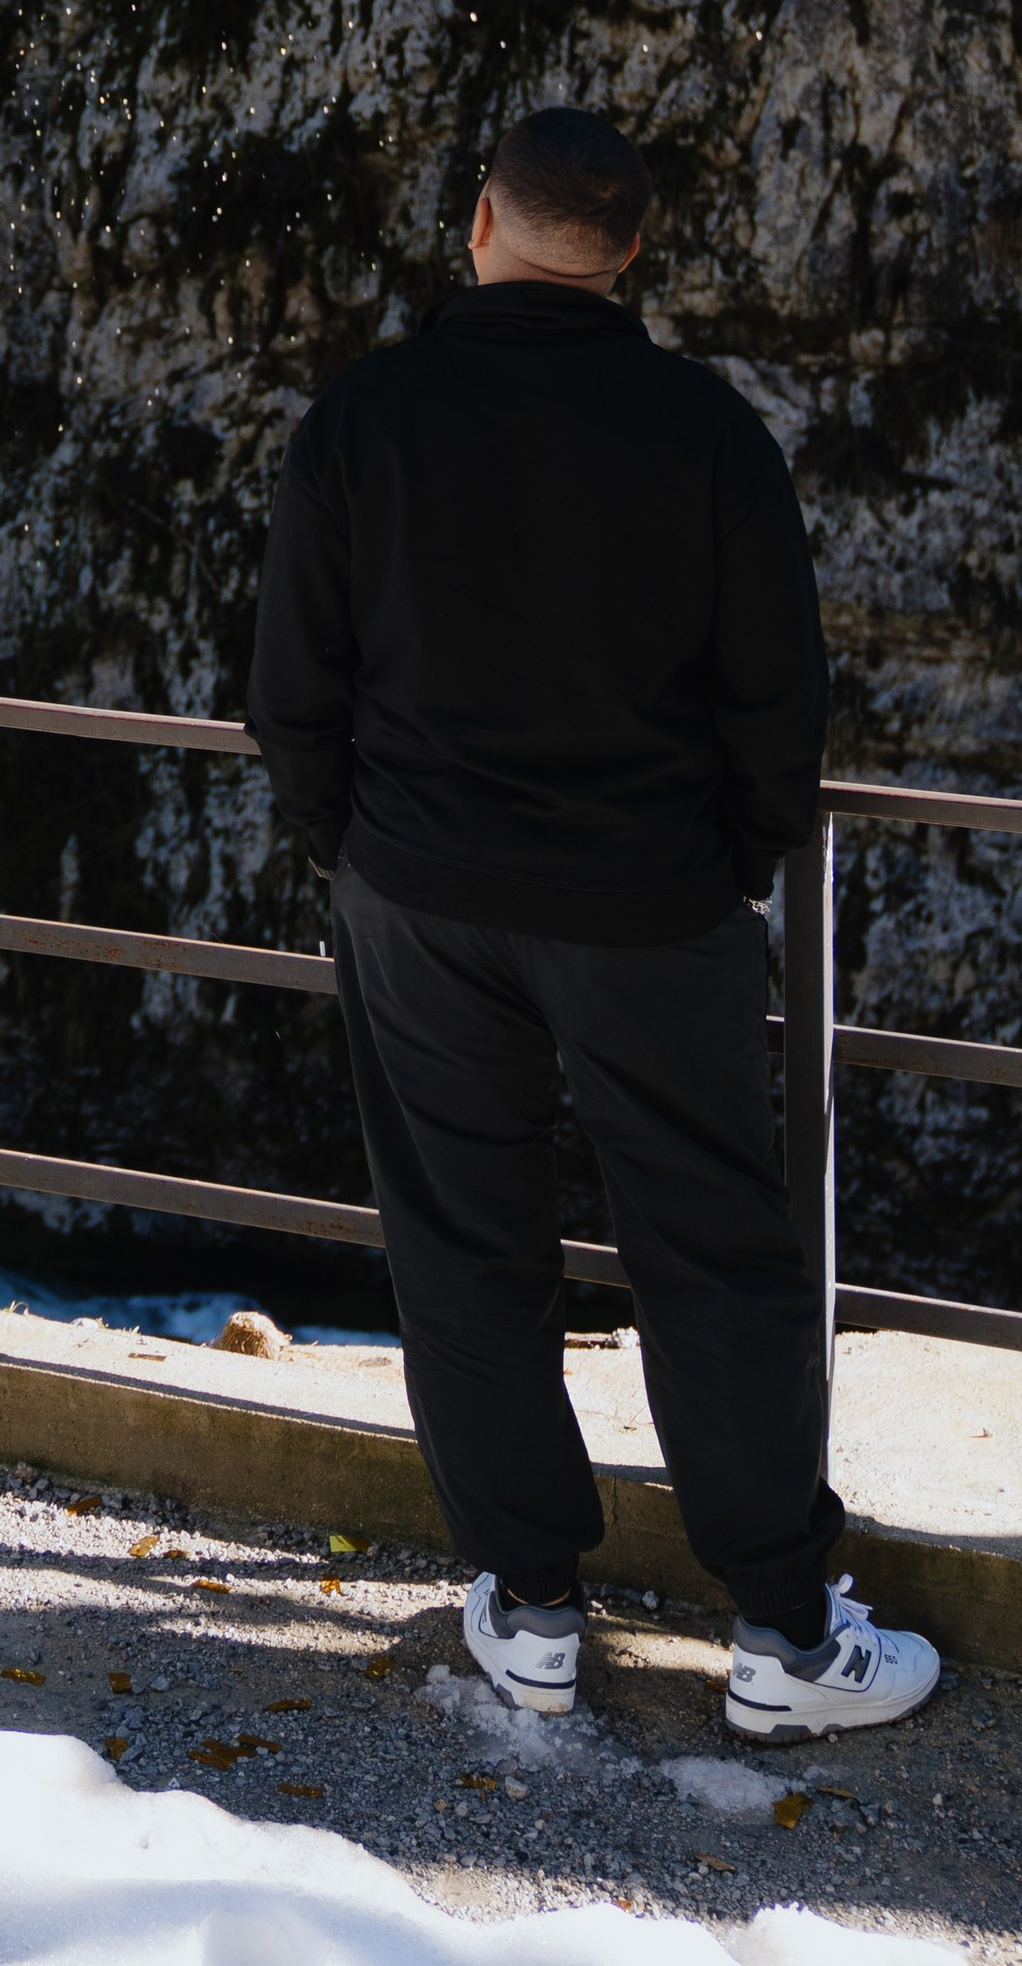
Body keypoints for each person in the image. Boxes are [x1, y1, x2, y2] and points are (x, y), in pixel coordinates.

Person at [246, 103, 937, 1744]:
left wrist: (354, 849)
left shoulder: (366, 417)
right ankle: (781, 1631)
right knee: (715, 1250)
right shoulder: (706, 432)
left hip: (420, 896)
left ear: (482, 222)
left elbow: (293, 690)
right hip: (650, 904)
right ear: (631, 254)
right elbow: (782, 703)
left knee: (466, 1244)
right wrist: (739, 863)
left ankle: (533, 1606)